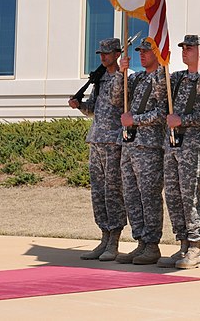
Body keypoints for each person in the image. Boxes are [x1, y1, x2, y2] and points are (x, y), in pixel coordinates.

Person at [159, 35, 200, 269]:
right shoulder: (178, 79)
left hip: (194, 145)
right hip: (172, 145)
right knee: (172, 195)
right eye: (183, 48)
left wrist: (181, 120)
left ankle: (195, 246)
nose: (184, 52)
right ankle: (182, 242)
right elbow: (160, 99)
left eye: (189, 48)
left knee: (191, 195)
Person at [110, 38, 168, 265]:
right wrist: (119, 73)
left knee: (149, 196)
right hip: (130, 145)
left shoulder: (163, 78)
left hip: (149, 146)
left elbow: (164, 112)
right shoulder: (136, 78)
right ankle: (141, 241)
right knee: (132, 196)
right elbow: (117, 99)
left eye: (146, 51)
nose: (142, 55)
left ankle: (152, 244)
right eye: (140, 51)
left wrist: (136, 119)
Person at [69, 38, 126, 261]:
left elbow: (117, 100)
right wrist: (80, 105)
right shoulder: (100, 79)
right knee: (98, 192)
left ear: (117, 54)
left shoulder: (123, 79)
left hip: (113, 142)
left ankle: (114, 241)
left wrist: (120, 74)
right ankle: (104, 237)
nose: (103, 57)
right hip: (97, 140)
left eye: (107, 53)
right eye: (101, 53)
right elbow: (93, 108)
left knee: (113, 191)